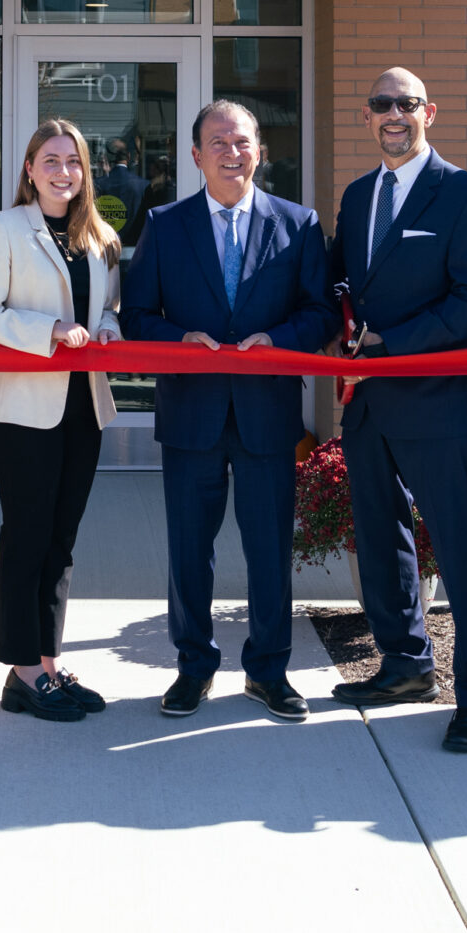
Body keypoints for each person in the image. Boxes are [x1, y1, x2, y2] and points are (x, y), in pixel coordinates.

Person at [122, 101, 335, 722]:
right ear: (195, 156)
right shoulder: (165, 224)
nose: (231, 151)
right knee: (190, 549)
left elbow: (321, 312)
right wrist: (177, 342)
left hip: (267, 414)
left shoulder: (298, 224)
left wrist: (282, 340)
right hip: (192, 413)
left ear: (260, 151)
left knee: (270, 548)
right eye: (217, 142)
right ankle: (193, 669)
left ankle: (268, 672)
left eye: (242, 141)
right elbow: (138, 317)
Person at [326, 69, 467, 753]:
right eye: (381, 105)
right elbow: (344, 280)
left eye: (406, 104)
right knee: (379, 540)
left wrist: (391, 346)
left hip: (437, 400)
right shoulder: (357, 193)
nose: (393, 115)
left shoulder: (461, 193)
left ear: (430, 111)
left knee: (458, 553)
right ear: (366, 117)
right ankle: (405, 666)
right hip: (368, 404)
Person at [0, 118, 124, 724]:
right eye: (50, 160)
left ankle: (47, 663)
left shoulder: (98, 236)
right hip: (22, 403)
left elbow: (108, 306)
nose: (64, 172)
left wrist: (107, 327)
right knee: (28, 533)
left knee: (62, 539)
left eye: (74, 161)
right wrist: (48, 332)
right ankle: (22, 671)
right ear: (28, 169)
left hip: (84, 402)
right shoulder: (0, 229)